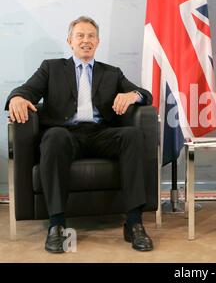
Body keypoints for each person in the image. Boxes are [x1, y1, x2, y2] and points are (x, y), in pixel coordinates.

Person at [5, 16, 155, 253]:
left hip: (99, 134)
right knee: (53, 137)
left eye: (91, 36)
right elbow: (26, 90)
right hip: (65, 136)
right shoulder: (51, 68)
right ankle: (57, 225)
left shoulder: (112, 73)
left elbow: (145, 94)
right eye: (80, 36)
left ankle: (134, 223)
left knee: (133, 135)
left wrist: (133, 95)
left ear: (98, 41)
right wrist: (17, 98)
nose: (86, 41)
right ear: (70, 41)